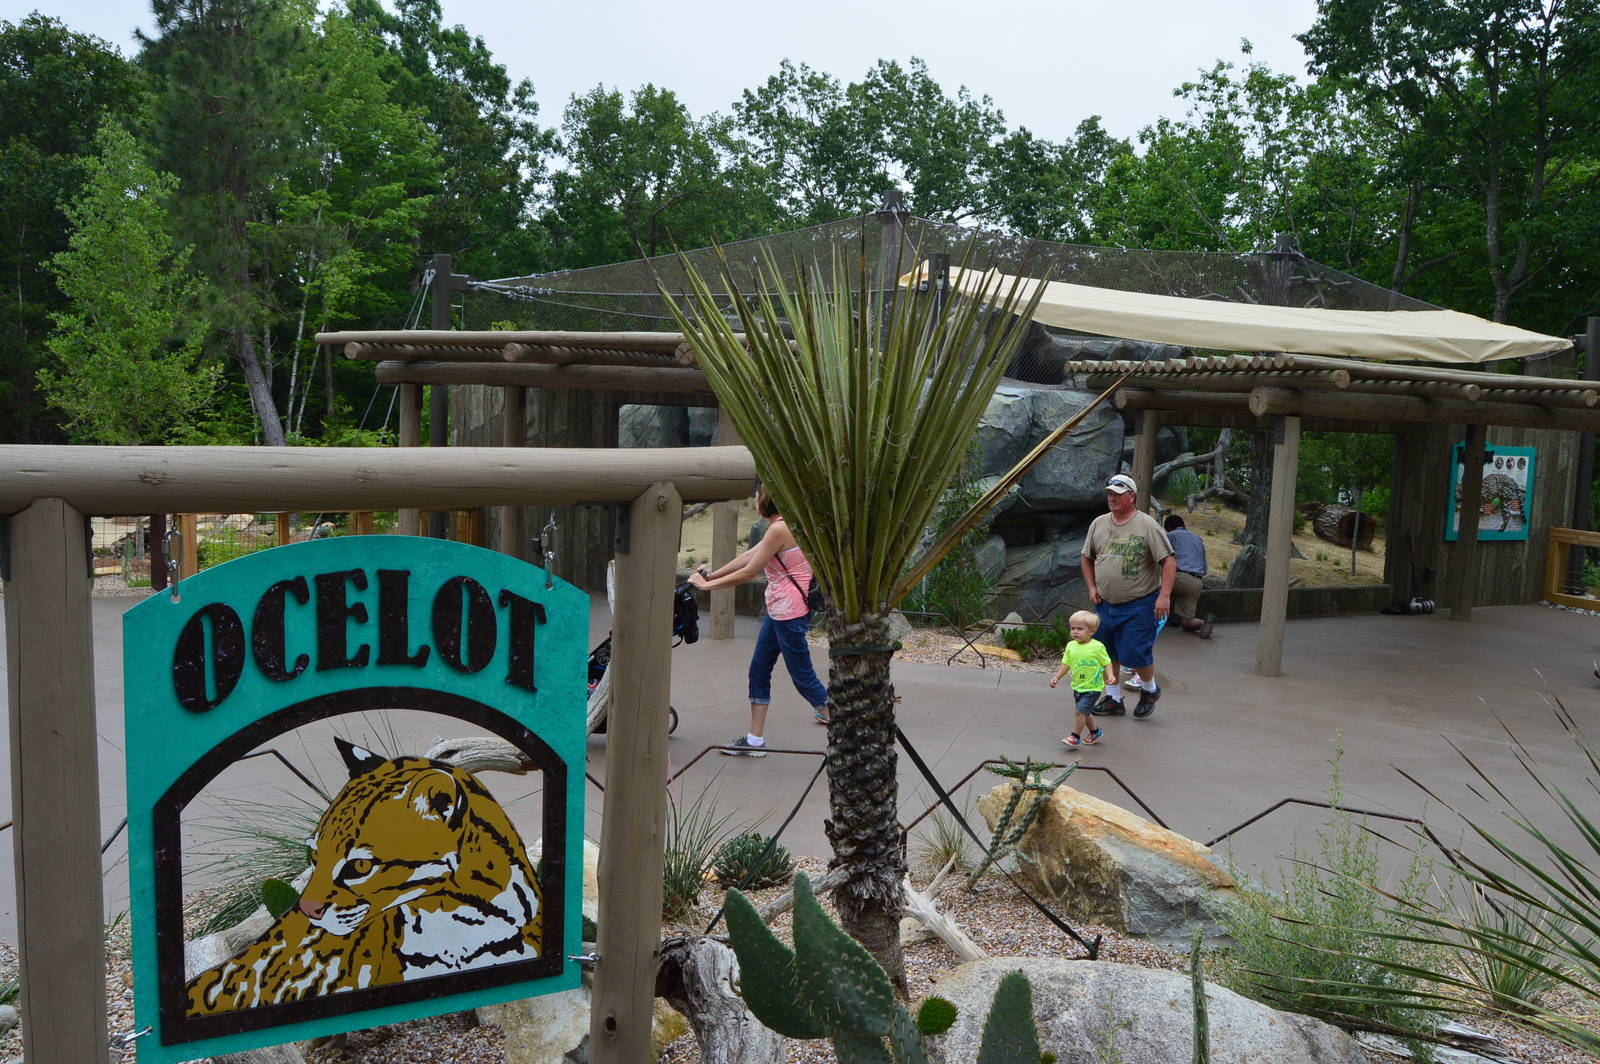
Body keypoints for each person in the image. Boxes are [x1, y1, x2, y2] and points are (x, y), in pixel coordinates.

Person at [689, 487, 829, 756]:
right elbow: (749, 556)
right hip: (779, 612)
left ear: (765, 499)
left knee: (802, 676)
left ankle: (842, 723)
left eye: (757, 495)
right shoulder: (783, 526)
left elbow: (749, 572)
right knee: (758, 670)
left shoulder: (779, 530)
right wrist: (713, 575)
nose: (754, 499)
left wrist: (707, 587)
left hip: (789, 613)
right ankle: (755, 740)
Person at [1080, 474, 1175, 719]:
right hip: (1105, 604)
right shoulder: (1098, 524)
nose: (1112, 498)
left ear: (1132, 496)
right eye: (1110, 494)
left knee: (1135, 653)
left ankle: (1150, 690)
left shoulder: (1147, 525)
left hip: (1139, 603)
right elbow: (1086, 557)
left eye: (1118, 494)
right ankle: (1113, 698)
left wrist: (1164, 596)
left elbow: (1168, 560)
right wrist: (1092, 587)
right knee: (1105, 652)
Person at [1049, 610, 1111, 748]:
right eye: (1073, 628)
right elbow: (1066, 664)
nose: (1075, 632)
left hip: (1093, 687)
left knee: (1080, 711)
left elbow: (1107, 662)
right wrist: (1057, 677)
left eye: (1080, 629)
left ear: (1092, 631)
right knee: (1085, 713)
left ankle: (1075, 737)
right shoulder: (1071, 646)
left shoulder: (1097, 647)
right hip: (1078, 686)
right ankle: (1095, 732)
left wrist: (1110, 675)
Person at [1162, 514, 1214, 638]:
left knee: (1152, 584)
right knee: (1187, 622)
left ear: (1169, 527)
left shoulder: (1171, 535)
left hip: (1179, 577)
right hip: (1197, 582)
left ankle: (1145, 619)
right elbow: (1204, 566)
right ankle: (1204, 623)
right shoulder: (1198, 539)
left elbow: (1161, 556)